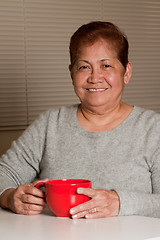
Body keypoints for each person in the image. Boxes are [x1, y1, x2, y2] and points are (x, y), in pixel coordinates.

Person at [0, 21, 160, 219]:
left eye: (106, 65)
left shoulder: (153, 129)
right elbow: (4, 175)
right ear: (71, 73)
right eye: (84, 67)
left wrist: (121, 202)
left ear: (126, 72)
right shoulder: (49, 124)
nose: (95, 77)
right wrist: (8, 197)